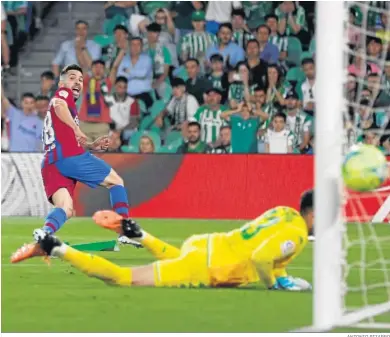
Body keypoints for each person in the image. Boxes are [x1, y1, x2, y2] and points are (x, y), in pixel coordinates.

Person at [17, 189, 315, 292]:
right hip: (207, 265)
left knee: (179, 259)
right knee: (123, 278)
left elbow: (266, 249)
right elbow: (262, 258)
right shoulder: (299, 233)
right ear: (315, 212)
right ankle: (56, 246)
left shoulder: (285, 213)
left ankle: (139, 234)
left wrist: (284, 277)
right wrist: (274, 284)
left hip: (205, 244)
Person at [10, 64, 136, 263]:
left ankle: (44, 233)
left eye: (80, 79)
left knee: (66, 208)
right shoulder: (63, 95)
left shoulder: (67, 110)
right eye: (72, 77)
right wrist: (77, 130)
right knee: (116, 181)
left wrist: (91, 144)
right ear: (61, 82)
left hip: (51, 163)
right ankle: (125, 229)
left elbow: (67, 135)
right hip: (68, 157)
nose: (77, 82)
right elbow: (60, 106)